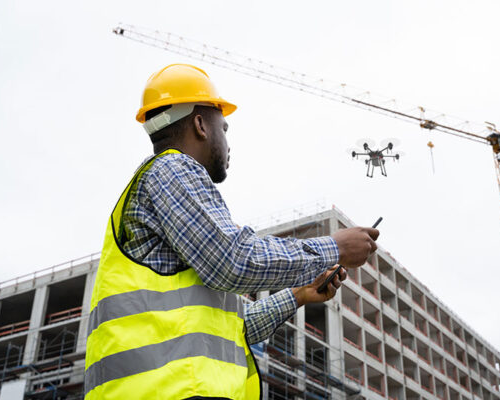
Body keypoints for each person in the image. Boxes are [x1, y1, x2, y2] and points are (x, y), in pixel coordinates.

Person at [84, 64, 379, 400]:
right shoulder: (172, 169)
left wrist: (298, 294)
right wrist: (333, 249)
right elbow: (233, 260)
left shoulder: (166, 193)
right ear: (199, 124)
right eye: (223, 127)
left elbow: (225, 331)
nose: (227, 142)